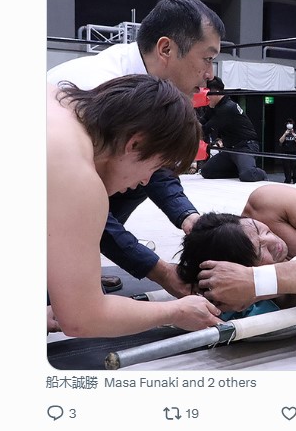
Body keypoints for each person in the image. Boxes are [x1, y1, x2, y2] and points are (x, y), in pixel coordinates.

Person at [46, 0, 226, 297]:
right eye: (207, 59)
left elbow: (152, 164)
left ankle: (75, 260)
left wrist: (187, 216)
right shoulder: (98, 90)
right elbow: (80, 203)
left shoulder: (146, 90)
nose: (210, 74)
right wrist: (160, 271)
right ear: (166, 48)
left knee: (135, 174)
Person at [47, 75, 222, 337]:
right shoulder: (77, 175)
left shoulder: (56, 98)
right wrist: (175, 311)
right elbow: (82, 319)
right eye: (154, 167)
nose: (145, 181)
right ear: (135, 143)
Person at [198, 77, 267, 181]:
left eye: (207, 94)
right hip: (230, 149)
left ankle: (261, 174)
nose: (206, 97)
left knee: (247, 175)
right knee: (206, 171)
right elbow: (202, 121)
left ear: (216, 92)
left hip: (245, 147)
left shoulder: (227, 108)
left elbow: (205, 130)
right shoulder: (214, 106)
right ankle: (240, 168)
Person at [278, 119, 296, 184]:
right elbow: (280, 141)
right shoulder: (283, 132)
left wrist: (294, 136)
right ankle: (287, 179)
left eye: (290, 123)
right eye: (288, 123)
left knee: (295, 166)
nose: (289, 125)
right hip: (286, 152)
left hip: (295, 152)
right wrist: (285, 134)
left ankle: (295, 179)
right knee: (286, 167)